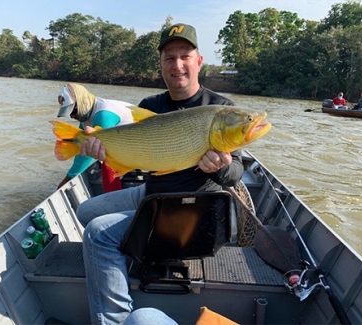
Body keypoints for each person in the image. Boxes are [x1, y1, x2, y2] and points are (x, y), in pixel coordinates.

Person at [75, 23, 243, 324]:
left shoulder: (221, 109)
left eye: (185, 56)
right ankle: (126, 257)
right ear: (161, 65)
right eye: (169, 58)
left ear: (199, 61)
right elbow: (132, 158)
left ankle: (113, 319)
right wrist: (101, 149)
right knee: (85, 210)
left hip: (191, 210)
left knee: (98, 234)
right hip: (151, 195)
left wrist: (221, 168)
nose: (177, 65)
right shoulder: (150, 106)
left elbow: (236, 173)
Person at [54, 83, 135, 192]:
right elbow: (80, 149)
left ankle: (113, 200)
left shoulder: (104, 115)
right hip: (123, 147)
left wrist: (67, 179)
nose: (72, 116)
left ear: (82, 103)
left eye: (73, 111)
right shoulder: (86, 116)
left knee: (108, 163)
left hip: (140, 147)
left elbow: (87, 153)